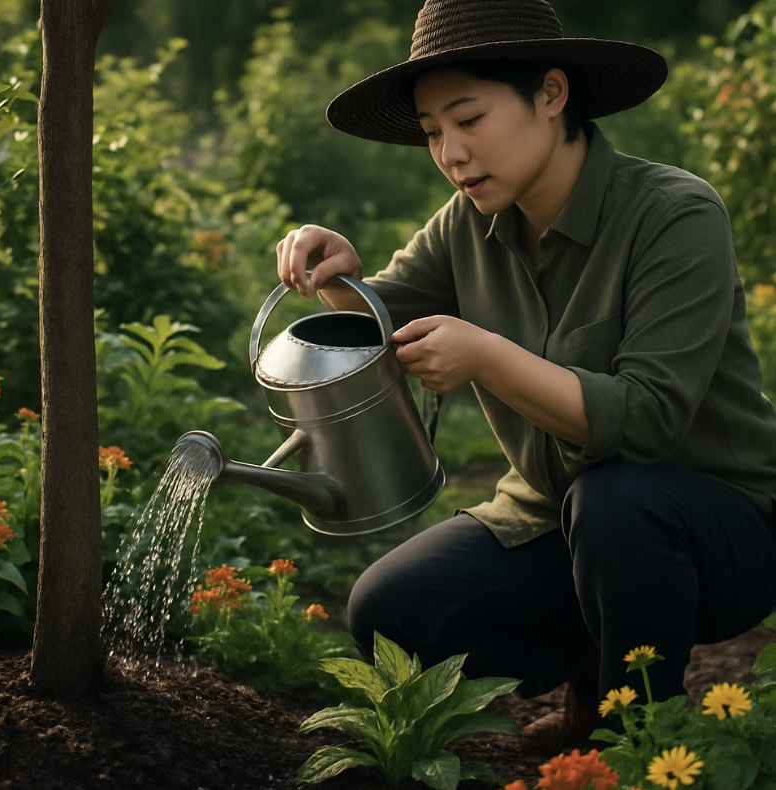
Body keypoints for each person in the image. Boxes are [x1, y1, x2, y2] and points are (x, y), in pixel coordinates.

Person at [275, 0, 776, 750]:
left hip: (716, 526)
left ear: (550, 94)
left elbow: (645, 422)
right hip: (557, 516)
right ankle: (592, 664)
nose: (450, 152)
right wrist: (338, 274)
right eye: (433, 132)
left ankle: (641, 741)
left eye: (469, 119)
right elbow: (377, 319)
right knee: (391, 608)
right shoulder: (465, 224)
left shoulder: (674, 214)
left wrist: (486, 356)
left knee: (617, 502)